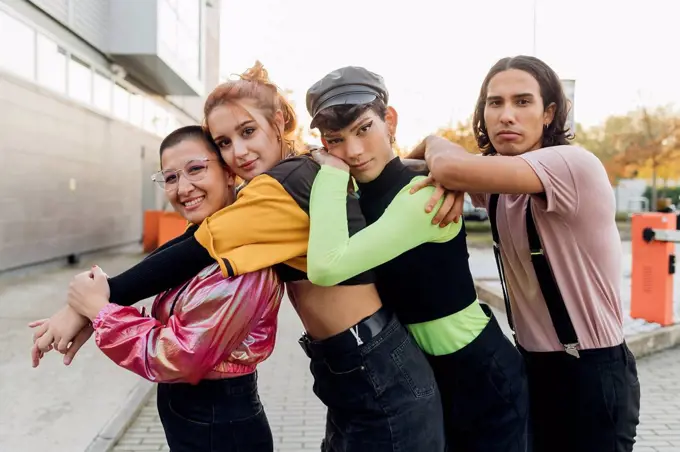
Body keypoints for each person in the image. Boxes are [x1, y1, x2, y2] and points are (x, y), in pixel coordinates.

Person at [32, 62, 446, 452]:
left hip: (375, 367)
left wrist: (94, 304)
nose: (240, 152)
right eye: (225, 142)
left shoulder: (281, 185)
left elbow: (191, 251)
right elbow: (193, 240)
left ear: (278, 122)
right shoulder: (299, 173)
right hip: (356, 365)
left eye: (248, 131)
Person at [408, 55, 641, 452]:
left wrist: (432, 140)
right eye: (494, 103)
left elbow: (446, 167)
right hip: (532, 367)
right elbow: (411, 169)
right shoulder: (499, 178)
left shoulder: (571, 164)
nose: (506, 116)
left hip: (592, 373)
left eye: (522, 102)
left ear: (548, 113)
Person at [304, 66, 529, 451]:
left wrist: (330, 170)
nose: (353, 151)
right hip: (425, 374)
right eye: (335, 140)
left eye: (363, 129)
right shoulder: (368, 192)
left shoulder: (424, 194)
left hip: (480, 373)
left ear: (389, 120)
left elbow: (325, 267)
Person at [34, 126, 284, 452]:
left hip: (221, 427)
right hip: (197, 419)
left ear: (228, 173)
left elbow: (176, 357)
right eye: (170, 178)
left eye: (196, 169)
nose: (183, 188)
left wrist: (100, 312)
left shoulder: (244, 261)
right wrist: (86, 311)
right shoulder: (198, 246)